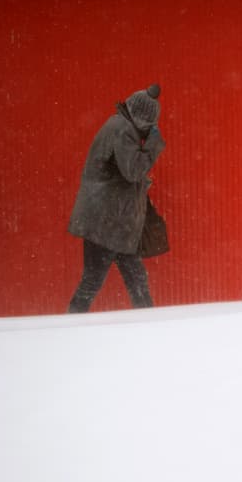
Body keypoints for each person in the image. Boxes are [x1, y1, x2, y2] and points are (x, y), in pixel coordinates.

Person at [67, 84, 166, 312]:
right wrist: (152, 145)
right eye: (149, 126)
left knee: (129, 280)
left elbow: (119, 172)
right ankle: (71, 323)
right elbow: (132, 171)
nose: (149, 131)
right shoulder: (124, 130)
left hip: (109, 222)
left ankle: (148, 324)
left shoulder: (117, 125)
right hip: (108, 223)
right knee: (107, 281)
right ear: (142, 119)